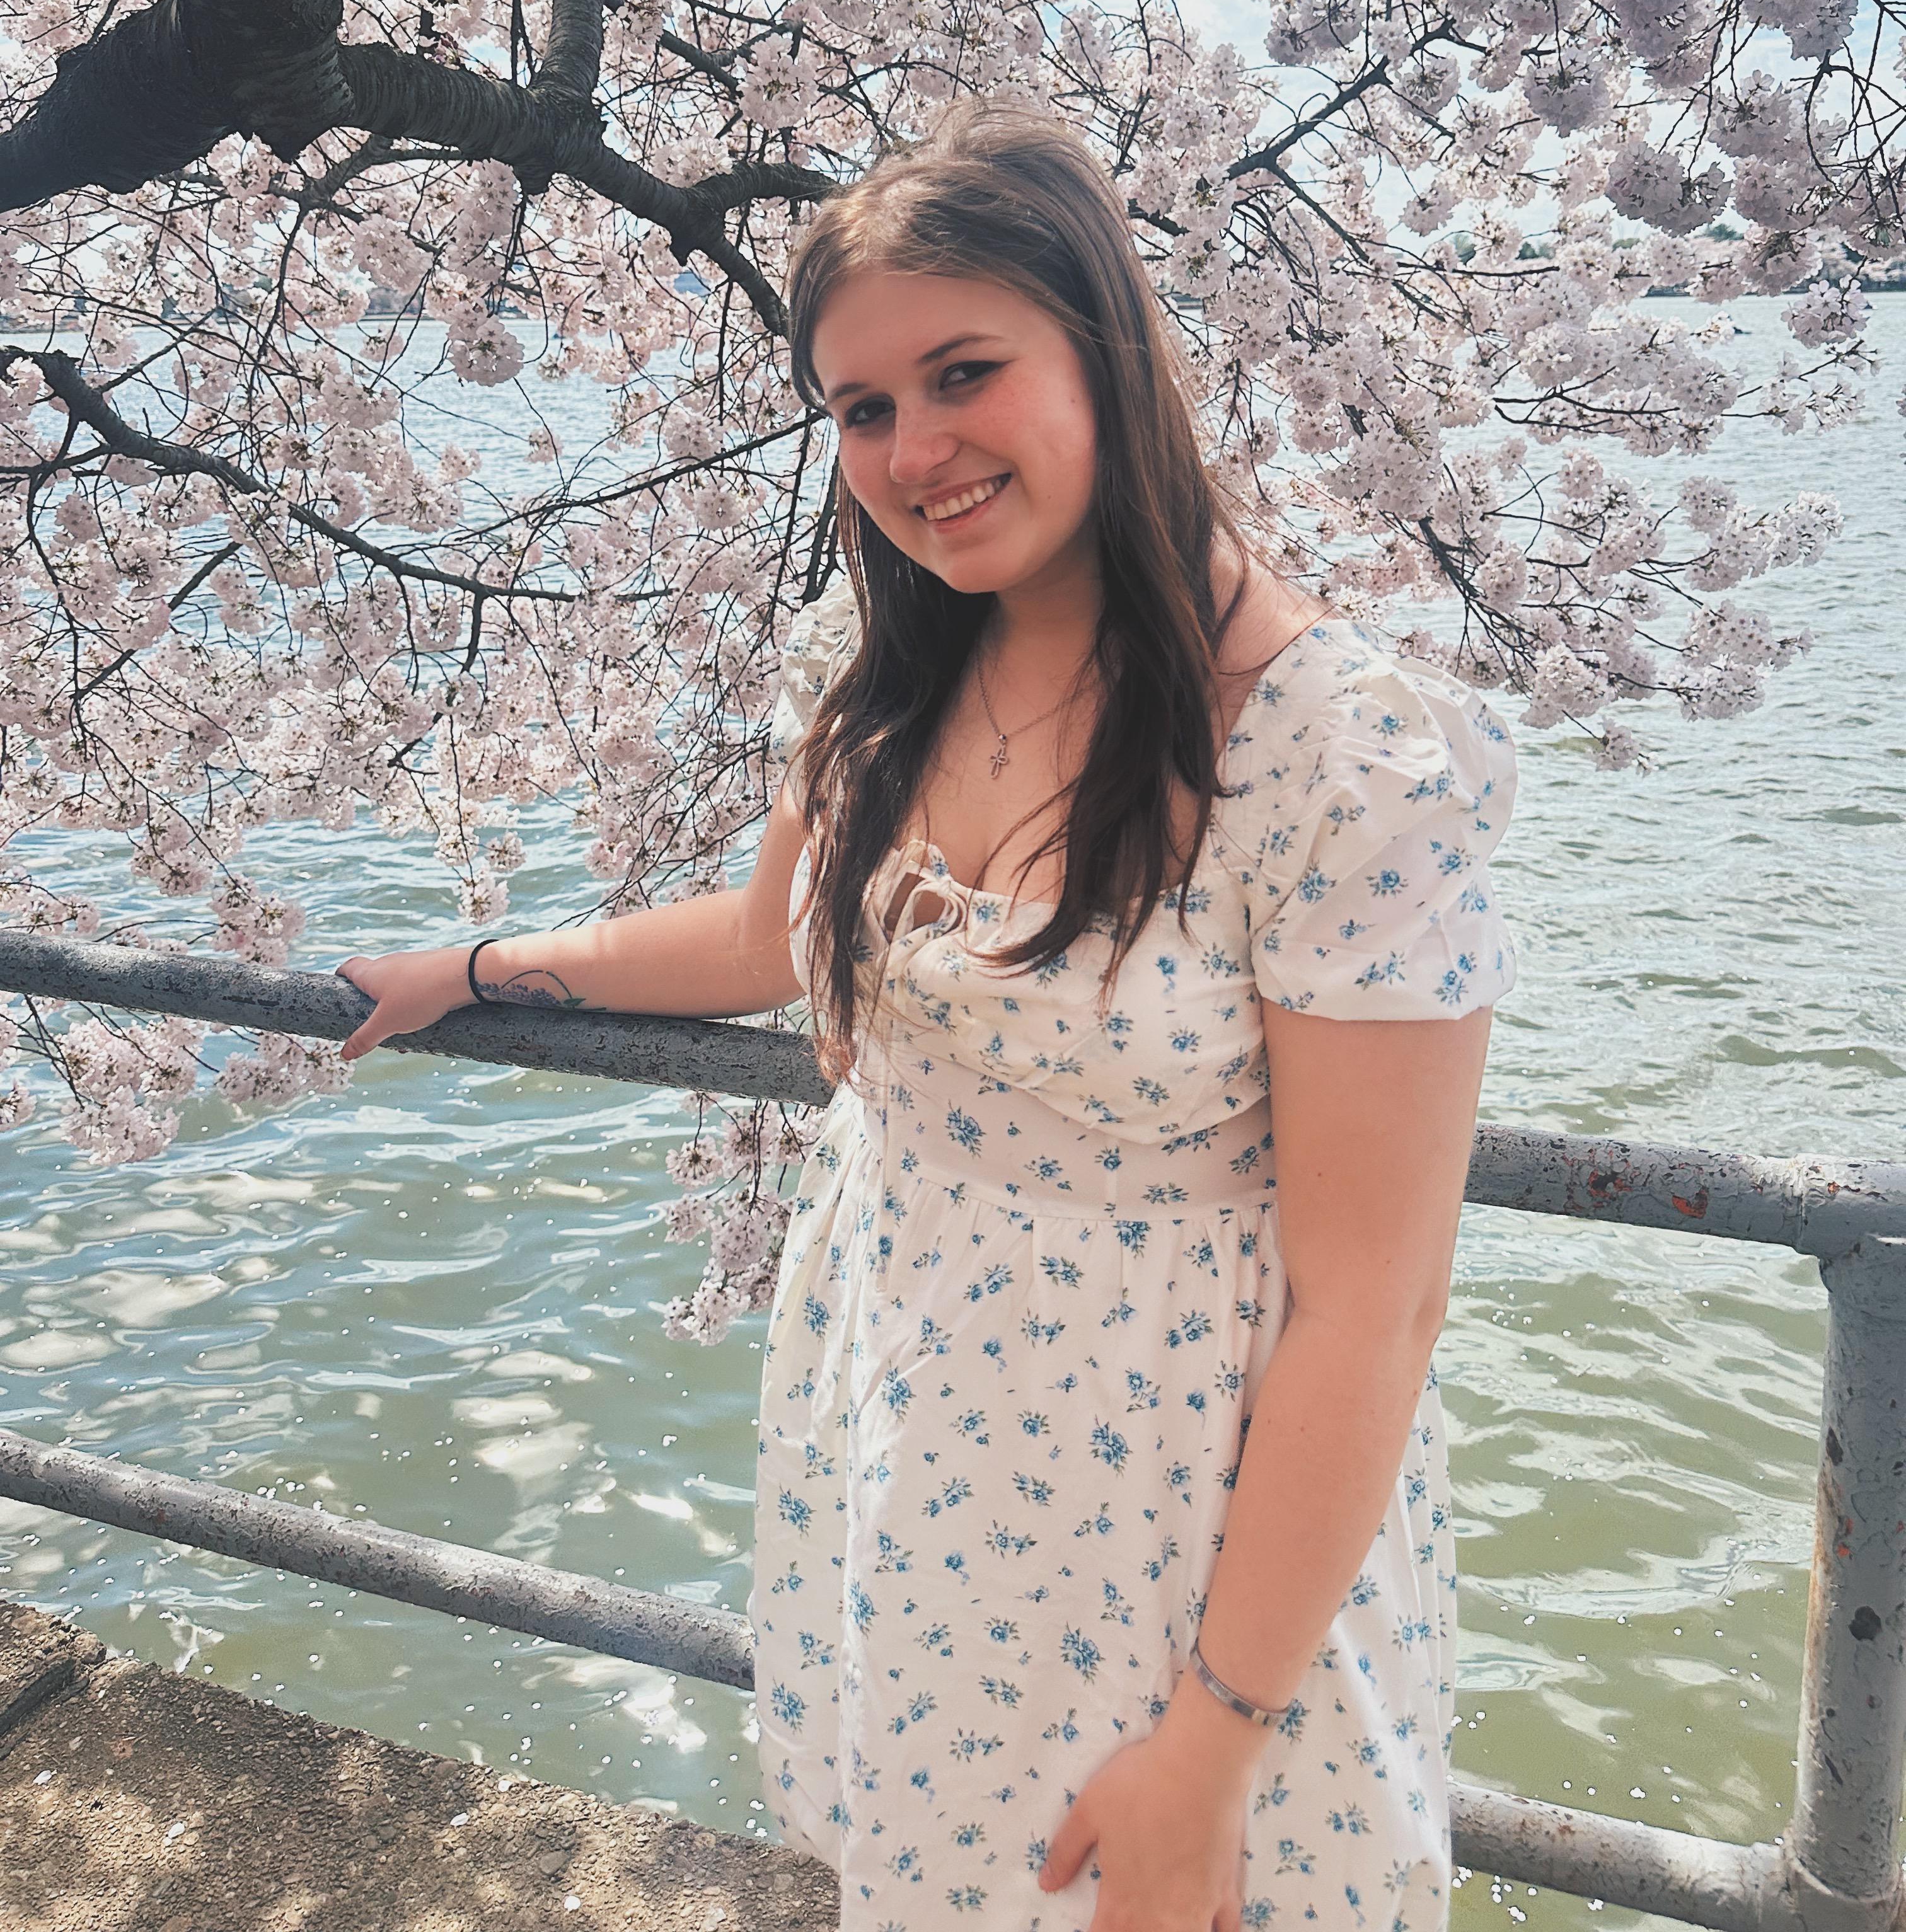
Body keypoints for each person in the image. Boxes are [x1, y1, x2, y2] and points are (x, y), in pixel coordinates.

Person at [335, 101, 1519, 1932]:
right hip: (909, 1416)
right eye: (863, 408)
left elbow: (1379, 1298)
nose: (915, 450)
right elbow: (763, 942)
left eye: (966, 372)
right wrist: (486, 966)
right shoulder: (887, 670)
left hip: (1185, 1502)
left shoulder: (1342, 755)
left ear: (1107, 351)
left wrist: (1208, 1743)